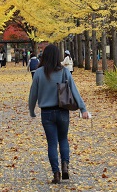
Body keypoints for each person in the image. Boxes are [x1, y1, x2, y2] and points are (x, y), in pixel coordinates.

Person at [28, 44, 90, 184]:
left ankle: (56, 173)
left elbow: (33, 94)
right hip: (63, 111)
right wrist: (83, 109)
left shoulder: (38, 73)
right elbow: (74, 90)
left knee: (51, 143)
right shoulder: (64, 72)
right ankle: (65, 165)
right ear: (58, 56)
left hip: (47, 113)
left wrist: (31, 110)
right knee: (63, 139)